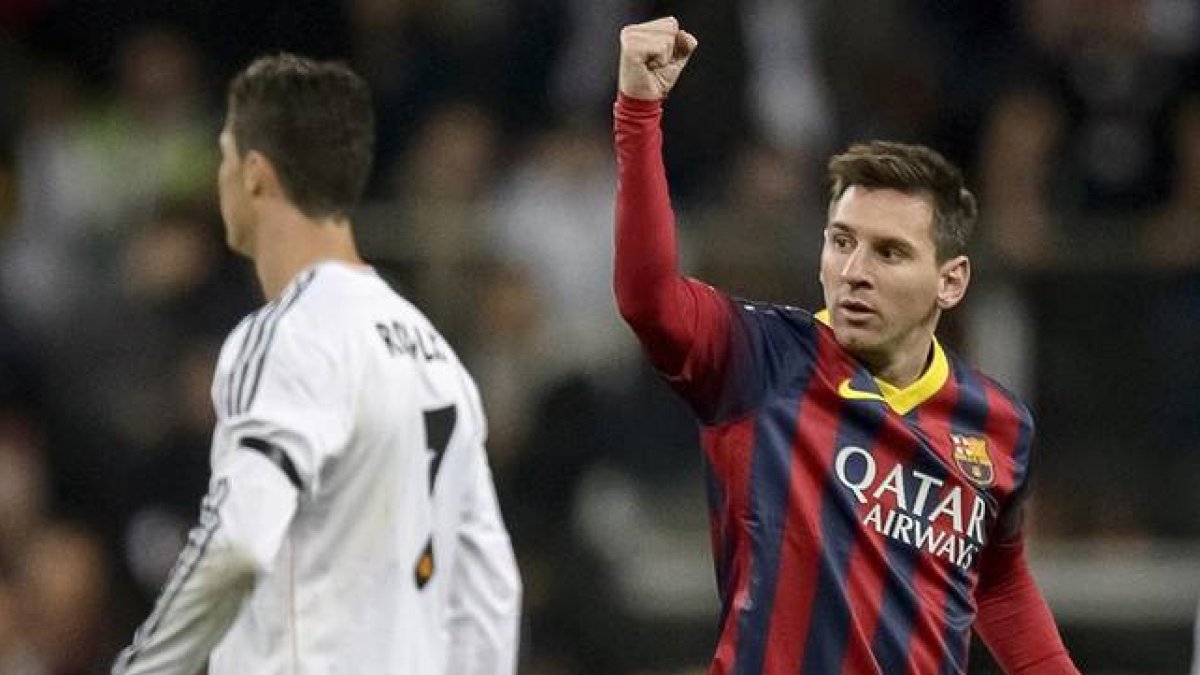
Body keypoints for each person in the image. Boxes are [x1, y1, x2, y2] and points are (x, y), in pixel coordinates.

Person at [613, 17, 1078, 674]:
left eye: (889, 252)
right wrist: (639, 113)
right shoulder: (762, 358)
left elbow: (998, 582)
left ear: (950, 281)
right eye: (841, 240)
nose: (855, 270)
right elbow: (647, 297)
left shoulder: (997, 424)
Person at [112, 54, 521, 674]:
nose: (218, 177)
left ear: (254, 174)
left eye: (223, 156)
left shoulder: (286, 337)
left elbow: (240, 543)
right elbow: (491, 593)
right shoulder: (436, 356)